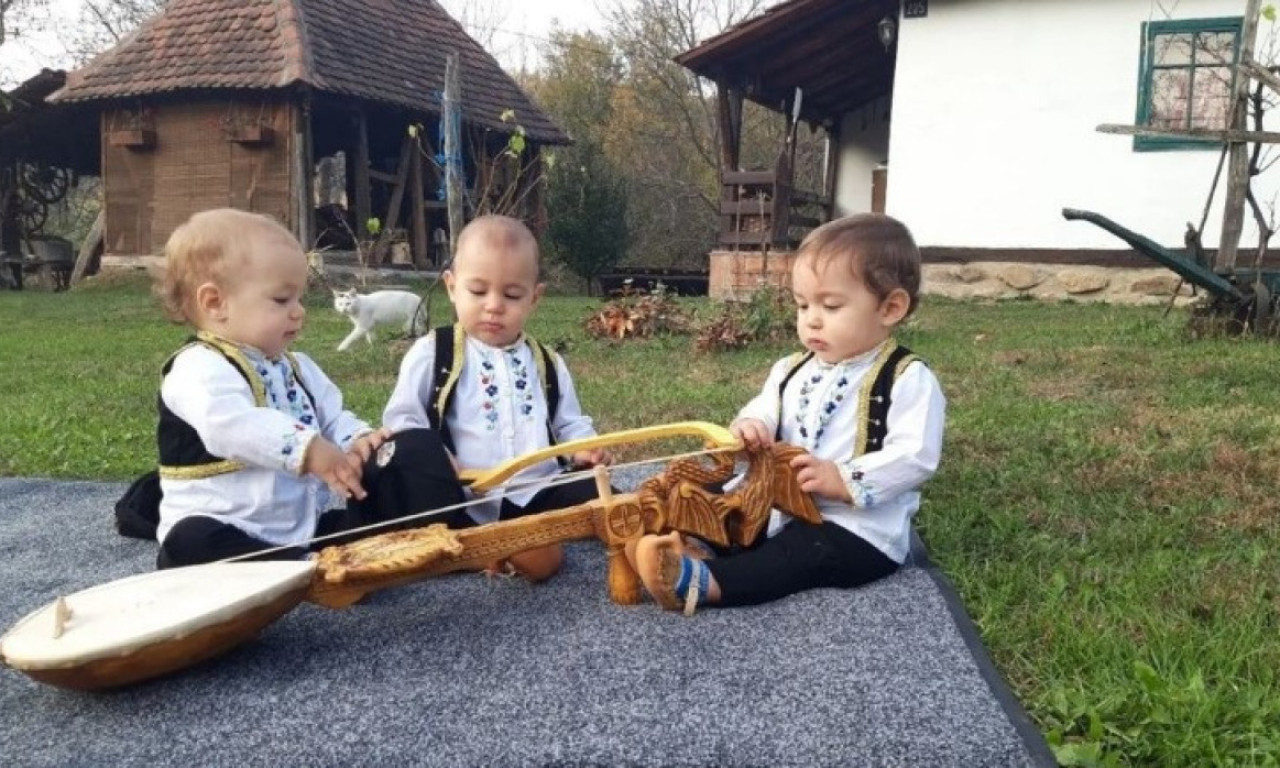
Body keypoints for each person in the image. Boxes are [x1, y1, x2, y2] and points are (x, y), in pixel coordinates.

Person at [630, 213, 946, 614]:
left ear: (890, 307)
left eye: (830, 305)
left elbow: (915, 455)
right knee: (716, 498)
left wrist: (845, 478)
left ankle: (708, 583)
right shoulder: (791, 368)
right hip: (778, 505)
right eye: (802, 305)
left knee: (801, 552)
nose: (812, 318)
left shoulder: (905, 377)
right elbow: (765, 407)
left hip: (854, 527)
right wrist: (752, 426)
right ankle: (677, 539)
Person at [151, 208, 461, 569]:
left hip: (301, 529)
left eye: (298, 299)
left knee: (410, 448)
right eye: (282, 300)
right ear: (215, 303)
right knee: (191, 542)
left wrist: (359, 440)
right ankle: (303, 566)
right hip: (226, 527)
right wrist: (306, 447)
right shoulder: (197, 367)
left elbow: (333, 417)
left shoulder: (298, 367)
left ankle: (325, 557)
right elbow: (229, 425)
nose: (298, 312)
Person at [383, 214, 611, 582]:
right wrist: (436, 458)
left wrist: (584, 447)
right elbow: (402, 421)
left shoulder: (547, 362)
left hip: (539, 489)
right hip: (466, 494)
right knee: (414, 514)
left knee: (606, 496)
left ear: (534, 298)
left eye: (511, 295)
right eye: (478, 291)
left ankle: (652, 539)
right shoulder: (433, 352)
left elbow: (569, 422)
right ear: (451, 287)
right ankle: (494, 551)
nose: (493, 305)